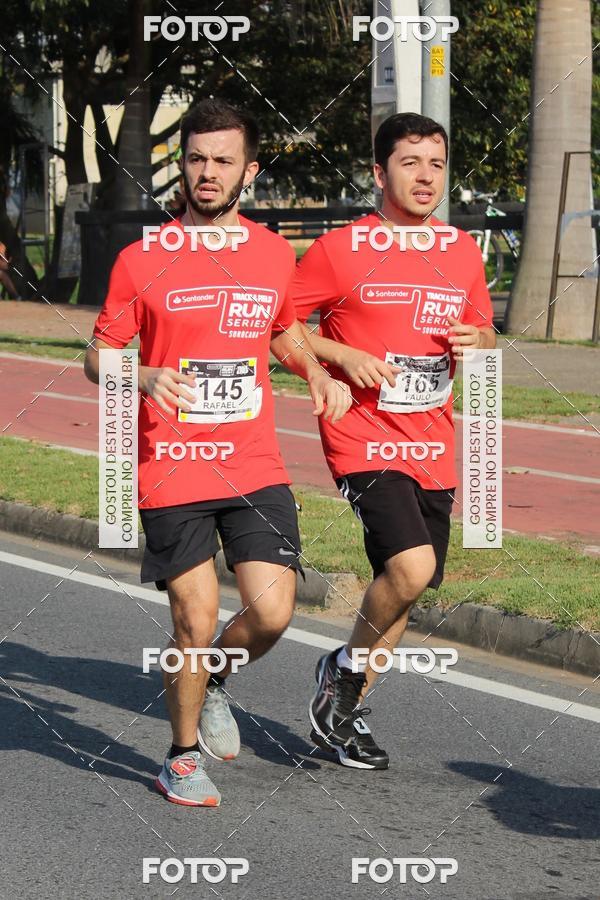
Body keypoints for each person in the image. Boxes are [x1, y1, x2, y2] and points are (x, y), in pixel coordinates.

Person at [84, 98, 350, 806]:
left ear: (248, 171)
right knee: (194, 618)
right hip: (171, 463)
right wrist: (140, 375)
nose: (207, 172)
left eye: (222, 161)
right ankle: (176, 757)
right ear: (185, 166)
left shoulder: (270, 253)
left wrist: (317, 372)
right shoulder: (142, 259)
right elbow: (97, 355)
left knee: (271, 612)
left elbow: (284, 331)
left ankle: (213, 682)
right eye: (197, 158)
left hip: (252, 460)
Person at [290, 112, 496, 769]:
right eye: (411, 163)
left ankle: (340, 710)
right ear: (380, 173)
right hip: (363, 434)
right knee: (412, 567)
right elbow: (278, 328)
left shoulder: (462, 252)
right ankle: (345, 671)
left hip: (431, 437)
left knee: (405, 585)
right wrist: (335, 359)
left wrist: (481, 342)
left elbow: (485, 332)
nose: (426, 176)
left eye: (436, 164)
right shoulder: (339, 250)